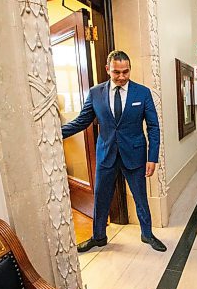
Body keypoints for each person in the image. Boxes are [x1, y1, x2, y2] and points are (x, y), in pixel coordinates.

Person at [61, 50, 166, 252]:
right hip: (106, 154)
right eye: (117, 72)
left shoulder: (142, 93)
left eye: (126, 72)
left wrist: (152, 157)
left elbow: (153, 127)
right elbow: (82, 121)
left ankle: (147, 234)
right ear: (108, 69)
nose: (121, 77)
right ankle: (98, 237)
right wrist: (56, 133)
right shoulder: (95, 93)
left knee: (140, 197)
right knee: (101, 197)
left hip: (135, 155)